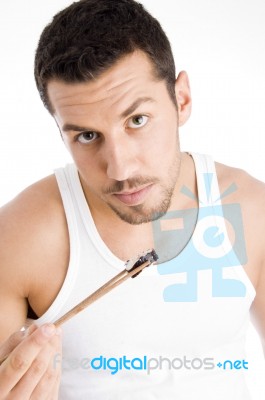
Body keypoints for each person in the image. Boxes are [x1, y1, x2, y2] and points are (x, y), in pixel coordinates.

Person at [0, 0, 264, 399]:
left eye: (137, 120)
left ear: (182, 100)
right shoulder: (20, 238)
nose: (119, 169)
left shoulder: (251, 209)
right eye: (86, 136)